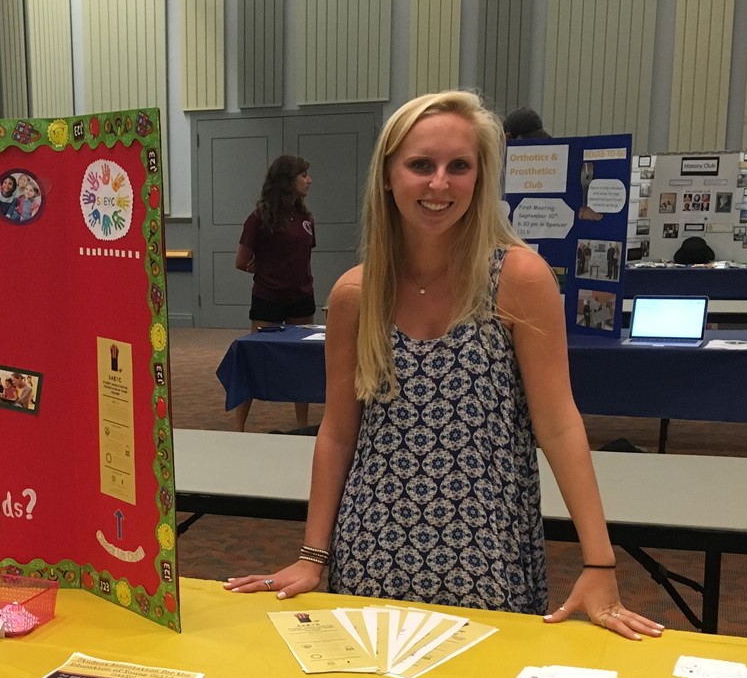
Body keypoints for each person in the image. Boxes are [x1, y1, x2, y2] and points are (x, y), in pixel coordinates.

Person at [224, 90, 661, 640]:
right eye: (420, 165)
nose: (439, 184)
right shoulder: (357, 294)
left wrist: (599, 563)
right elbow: (338, 432)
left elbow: (558, 423)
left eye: (459, 166)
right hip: (373, 551)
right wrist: (313, 555)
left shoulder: (518, 280)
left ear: (480, 178)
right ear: (388, 176)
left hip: (487, 552)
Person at [233, 154, 316, 430]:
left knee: (302, 362)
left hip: (301, 297)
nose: (309, 181)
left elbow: (302, 257)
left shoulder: (306, 218)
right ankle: (238, 427)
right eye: (303, 175)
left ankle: (302, 424)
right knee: (255, 359)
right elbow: (241, 261)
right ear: (287, 180)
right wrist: (266, 271)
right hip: (268, 298)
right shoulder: (259, 218)